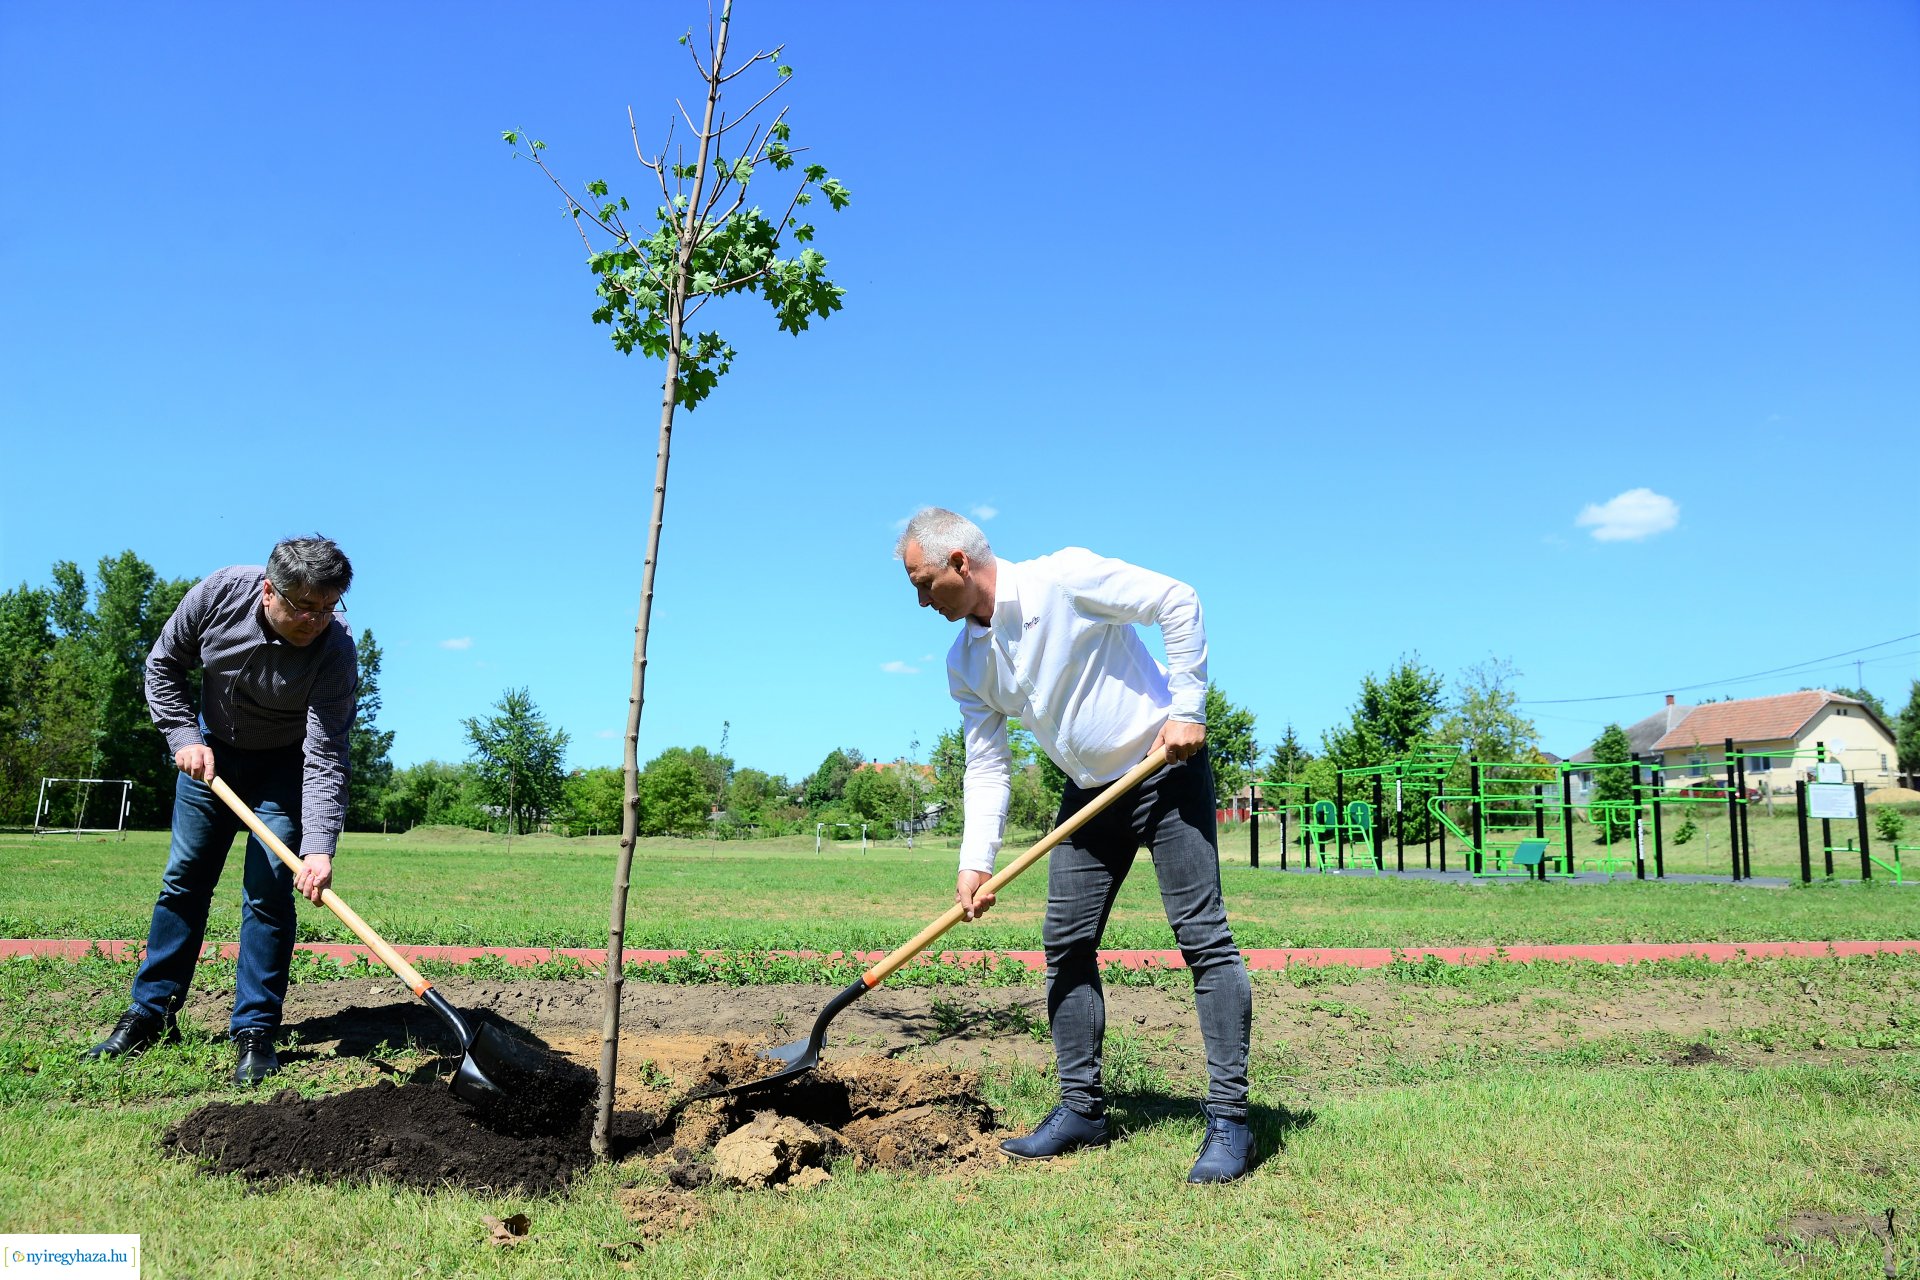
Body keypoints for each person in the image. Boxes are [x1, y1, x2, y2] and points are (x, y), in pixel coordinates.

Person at [897, 508, 1254, 1184]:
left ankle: (1231, 1119)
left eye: (922, 584)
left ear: (959, 564)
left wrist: (1188, 710)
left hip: (1163, 769)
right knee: (1066, 941)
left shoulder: (1062, 579)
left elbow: (1177, 599)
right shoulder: (965, 661)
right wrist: (976, 862)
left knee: (1202, 936)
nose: (920, 602)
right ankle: (1082, 1109)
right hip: (1089, 796)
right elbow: (987, 763)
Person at [88, 536, 358, 1085]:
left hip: (285, 770)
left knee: (269, 889)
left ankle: (254, 1030)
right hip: (209, 758)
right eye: (305, 606)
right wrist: (183, 736)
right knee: (184, 881)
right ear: (269, 591)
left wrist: (318, 847)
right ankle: (150, 1013)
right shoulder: (219, 593)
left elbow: (327, 753)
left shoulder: (336, 648)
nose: (316, 620)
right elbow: (163, 665)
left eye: (328, 607)